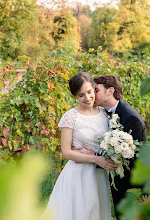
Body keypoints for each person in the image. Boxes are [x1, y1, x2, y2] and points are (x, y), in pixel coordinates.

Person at [42, 72, 114, 220]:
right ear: (75, 96)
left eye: (89, 92)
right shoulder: (71, 116)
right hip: (78, 175)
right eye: (81, 95)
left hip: (98, 174)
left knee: (96, 212)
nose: (87, 98)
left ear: (94, 89)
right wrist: (96, 159)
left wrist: (100, 157)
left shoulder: (104, 113)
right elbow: (66, 152)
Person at [76, 75, 146, 220]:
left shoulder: (130, 117)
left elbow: (135, 154)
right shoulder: (103, 114)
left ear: (110, 91)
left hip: (132, 183)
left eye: (96, 90)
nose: (93, 95)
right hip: (117, 182)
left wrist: (96, 156)